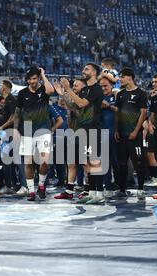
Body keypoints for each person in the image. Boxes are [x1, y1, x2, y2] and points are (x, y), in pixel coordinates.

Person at [58, 63, 105, 204]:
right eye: (83, 69)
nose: (83, 71)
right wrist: (64, 94)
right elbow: (75, 106)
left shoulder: (96, 89)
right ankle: (91, 193)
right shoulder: (86, 90)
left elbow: (82, 104)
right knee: (89, 163)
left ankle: (100, 193)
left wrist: (67, 88)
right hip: (83, 130)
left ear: (95, 72)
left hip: (93, 129)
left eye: (86, 69)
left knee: (95, 162)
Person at [13, 66, 54, 201]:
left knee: (44, 162)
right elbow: (17, 113)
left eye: (35, 78)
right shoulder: (22, 93)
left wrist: (43, 74)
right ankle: (31, 190)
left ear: (38, 78)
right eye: (30, 79)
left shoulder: (43, 89)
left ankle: (41, 185)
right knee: (28, 163)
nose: (32, 81)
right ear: (27, 80)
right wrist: (15, 129)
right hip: (27, 130)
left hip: (44, 130)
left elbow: (51, 90)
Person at [115, 67, 148, 200]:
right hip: (122, 134)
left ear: (129, 77)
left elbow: (143, 113)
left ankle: (140, 188)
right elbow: (117, 113)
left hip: (135, 135)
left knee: (138, 162)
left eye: (122, 77)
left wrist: (135, 131)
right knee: (122, 163)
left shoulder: (141, 93)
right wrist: (116, 130)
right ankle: (122, 189)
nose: (120, 79)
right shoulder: (120, 94)